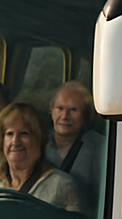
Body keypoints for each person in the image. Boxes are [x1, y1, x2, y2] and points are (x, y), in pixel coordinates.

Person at [0, 102, 82, 212]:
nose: (15, 142)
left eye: (24, 133)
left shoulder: (61, 185)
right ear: (1, 141)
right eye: (9, 134)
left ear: (39, 139)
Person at [44, 81, 106, 209]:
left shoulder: (101, 148)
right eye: (60, 108)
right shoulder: (37, 143)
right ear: (51, 110)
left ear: (86, 115)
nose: (64, 116)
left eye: (73, 110)